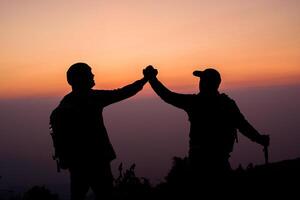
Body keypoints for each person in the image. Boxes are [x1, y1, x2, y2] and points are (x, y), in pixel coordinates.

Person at [143, 65, 270, 178]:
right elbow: (243, 126)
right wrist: (260, 139)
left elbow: (167, 96)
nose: (200, 82)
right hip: (220, 161)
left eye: (202, 80)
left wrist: (152, 79)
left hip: (198, 162)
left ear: (206, 83)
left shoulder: (195, 103)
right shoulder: (227, 104)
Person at [51, 63, 148, 200]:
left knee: (78, 196)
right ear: (81, 78)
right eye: (89, 73)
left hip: (77, 164)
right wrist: (145, 80)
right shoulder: (91, 98)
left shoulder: (64, 104)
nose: (93, 75)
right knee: (105, 195)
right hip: (97, 161)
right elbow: (121, 93)